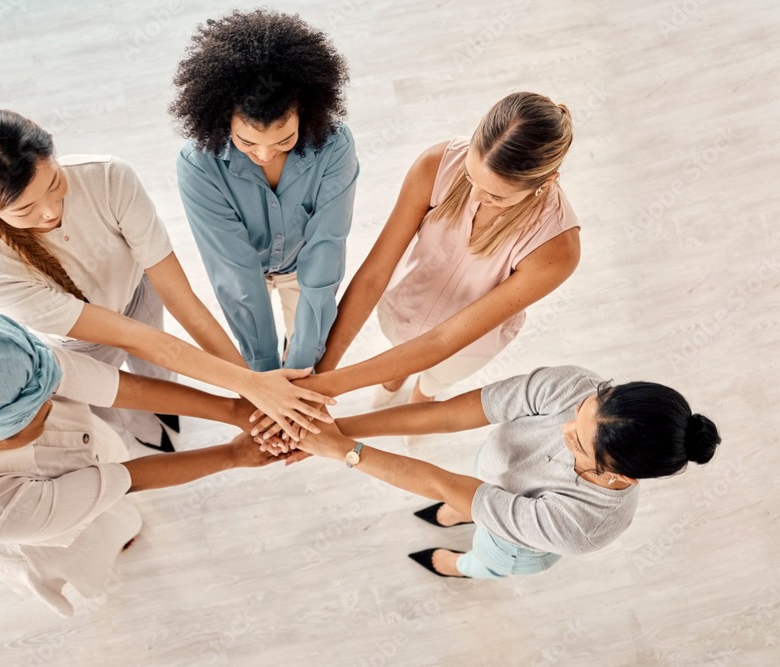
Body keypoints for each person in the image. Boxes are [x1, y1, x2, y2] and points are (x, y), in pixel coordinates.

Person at [0, 108, 332, 448]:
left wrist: (253, 384)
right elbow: (135, 340)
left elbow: (181, 300)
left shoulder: (107, 177)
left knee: (161, 375)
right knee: (112, 406)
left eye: (54, 184)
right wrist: (251, 388)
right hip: (76, 343)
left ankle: (167, 425)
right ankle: (139, 438)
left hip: (139, 293)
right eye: (25, 209)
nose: (51, 211)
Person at [0, 314, 283, 616]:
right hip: (43, 534)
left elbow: (121, 389)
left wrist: (235, 410)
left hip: (86, 452)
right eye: (40, 416)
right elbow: (129, 478)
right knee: (93, 549)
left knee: (114, 508)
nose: (55, 405)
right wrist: (234, 455)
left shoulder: (8, 368)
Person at [288, 365, 721, 579]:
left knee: (484, 556)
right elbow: (447, 415)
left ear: (620, 475)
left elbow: (445, 483)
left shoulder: (584, 525)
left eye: (576, 440)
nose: (562, 427)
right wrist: (334, 429)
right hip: (491, 481)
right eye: (580, 413)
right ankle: (463, 513)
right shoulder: (574, 387)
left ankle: (460, 566)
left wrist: (345, 451)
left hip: (514, 545)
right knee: (470, 499)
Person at [314, 91, 579, 406]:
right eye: (470, 175)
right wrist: (319, 377)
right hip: (405, 306)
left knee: (434, 380)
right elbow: (374, 274)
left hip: (464, 346)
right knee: (393, 356)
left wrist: (327, 387)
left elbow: (444, 341)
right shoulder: (437, 164)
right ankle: (391, 382)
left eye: (497, 196)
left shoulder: (556, 249)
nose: (476, 197)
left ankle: (423, 393)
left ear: (547, 181)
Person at [171, 9, 359, 373]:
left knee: (306, 345)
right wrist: (265, 377)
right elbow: (236, 275)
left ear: (306, 112)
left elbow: (326, 250)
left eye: (284, 140)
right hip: (248, 272)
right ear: (223, 117)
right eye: (246, 141)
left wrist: (301, 366)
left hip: (304, 269)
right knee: (260, 343)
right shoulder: (198, 165)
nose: (264, 154)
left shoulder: (334, 146)